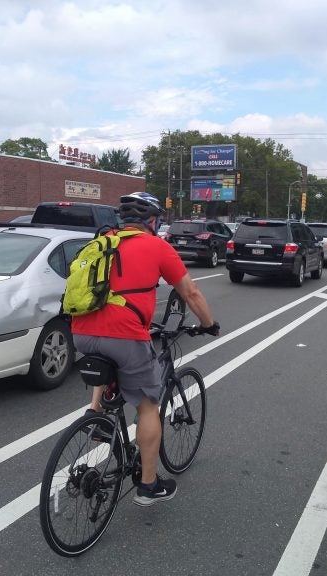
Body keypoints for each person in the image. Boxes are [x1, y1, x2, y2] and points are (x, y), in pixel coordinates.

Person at [71, 192, 219, 506]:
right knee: (149, 406)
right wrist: (209, 324)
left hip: (80, 331)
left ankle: (95, 412)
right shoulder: (157, 245)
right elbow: (190, 293)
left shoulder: (103, 241)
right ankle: (149, 486)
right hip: (124, 335)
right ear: (152, 221)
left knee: (107, 358)